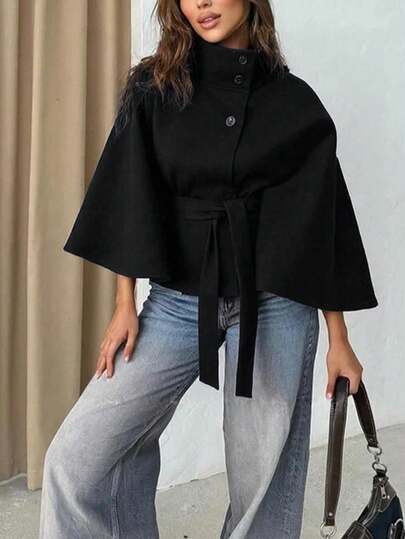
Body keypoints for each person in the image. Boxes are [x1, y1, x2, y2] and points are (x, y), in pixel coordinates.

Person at [39, 1, 378, 538]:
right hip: (178, 300)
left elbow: (322, 222)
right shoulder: (154, 89)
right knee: (77, 457)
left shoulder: (295, 105)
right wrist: (125, 304)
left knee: (262, 483)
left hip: (275, 302)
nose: (201, 3)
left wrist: (340, 340)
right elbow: (129, 194)